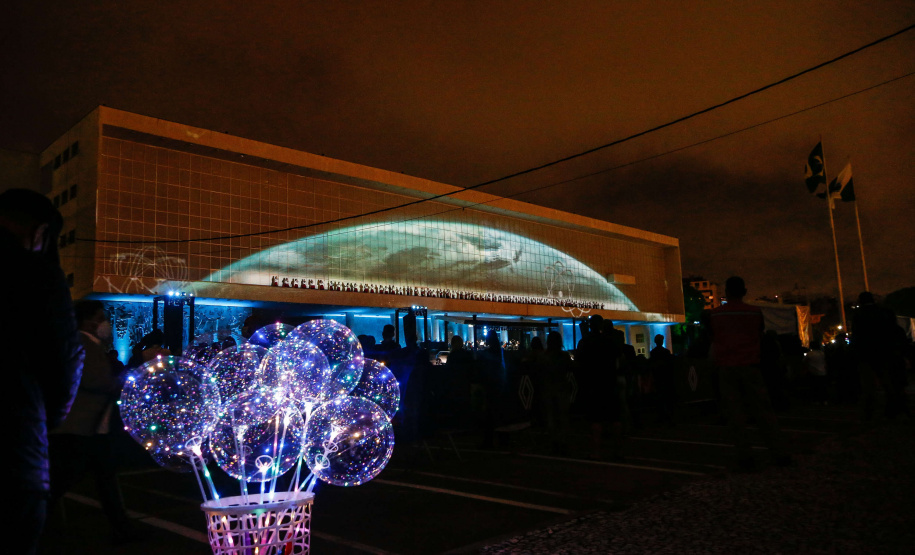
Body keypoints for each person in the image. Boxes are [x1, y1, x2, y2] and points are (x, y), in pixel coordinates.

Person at [0, 188, 83, 554]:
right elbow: (63, 362)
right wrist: (41, 419)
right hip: (12, 452)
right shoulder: (37, 275)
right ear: (39, 233)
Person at [49, 300, 133, 542]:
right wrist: (124, 382)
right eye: (99, 317)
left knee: (103, 478)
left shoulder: (85, 343)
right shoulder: (83, 343)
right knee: (65, 478)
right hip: (81, 426)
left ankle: (122, 528)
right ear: (87, 320)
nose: (103, 323)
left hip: (93, 427)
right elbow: (95, 380)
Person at [708, 276, 790, 470]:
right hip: (751, 366)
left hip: (727, 368)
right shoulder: (754, 312)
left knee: (735, 414)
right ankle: (779, 453)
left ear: (726, 292)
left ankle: (745, 456)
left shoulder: (715, 315)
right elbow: (759, 334)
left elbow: (713, 338)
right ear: (744, 291)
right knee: (763, 412)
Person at [852, 291, 909, 420]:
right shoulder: (886, 312)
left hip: (867, 354)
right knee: (888, 383)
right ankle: (892, 410)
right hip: (886, 352)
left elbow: (857, 336)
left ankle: (869, 413)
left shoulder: (859, 315)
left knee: (869, 386)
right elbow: (894, 332)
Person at [575, 314, 622, 460]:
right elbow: (618, 360)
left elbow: (579, 364)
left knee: (595, 420)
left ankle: (596, 452)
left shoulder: (585, 342)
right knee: (615, 418)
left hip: (593, 384)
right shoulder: (610, 341)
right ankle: (618, 451)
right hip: (609, 381)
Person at [541, 332, 573, 455]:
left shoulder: (544, 356)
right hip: (562, 387)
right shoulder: (564, 356)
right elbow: (571, 368)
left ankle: (554, 441)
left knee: (551, 416)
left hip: (548, 388)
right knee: (563, 416)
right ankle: (563, 441)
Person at [650, 334, 677, 426]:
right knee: (667, 398)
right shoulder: (666, 352)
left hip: (658, 377)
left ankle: (661, 416)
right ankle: (669, 416)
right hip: (666, 378)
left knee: (660, 398)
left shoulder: (653, 352)